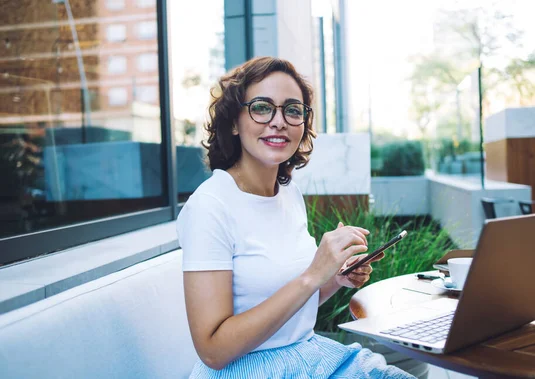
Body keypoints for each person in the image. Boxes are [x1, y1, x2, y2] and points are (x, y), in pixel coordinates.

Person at [176, 56, 413, 379]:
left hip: (310, 355)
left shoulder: (289, 193)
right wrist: (313, 275)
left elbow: (292, 311)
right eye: (262, 107)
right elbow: (213, 350)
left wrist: (334, 278)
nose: (279, 121)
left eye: (292, 110)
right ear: (233, 122)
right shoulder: (210, 206)